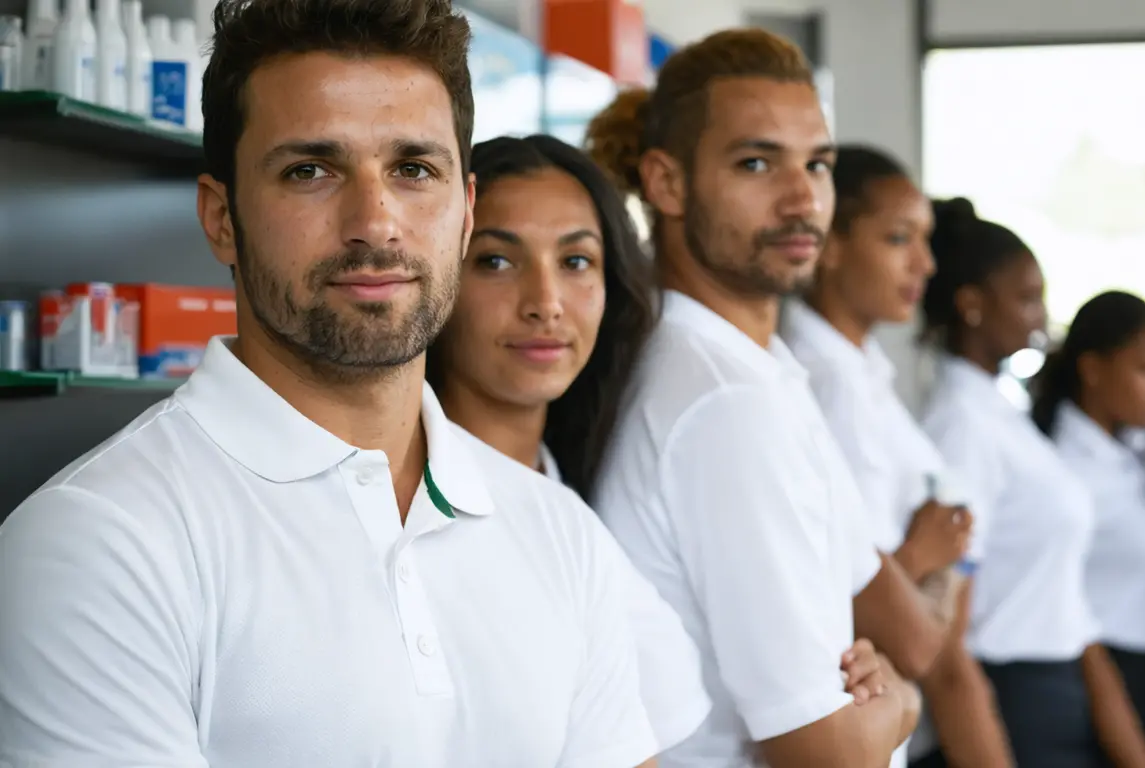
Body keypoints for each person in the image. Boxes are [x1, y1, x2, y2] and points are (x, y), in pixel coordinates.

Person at [0, 2, 659, 766]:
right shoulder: (100, 542)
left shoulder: (559, 532)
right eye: (310, 170)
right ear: (221, 218)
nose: (375, 222)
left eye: (414, 169)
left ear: (466, 210)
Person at [584, 28, 927, 768]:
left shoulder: (753, 367)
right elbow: (825, 753)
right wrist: (902, 699)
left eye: (818, 164)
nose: (803, 197)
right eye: (756, 163)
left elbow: (898, 624)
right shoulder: (724, 401)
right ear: (667, 184)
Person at [427, 133, 714, 753]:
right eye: (496, 261)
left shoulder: (578, 489)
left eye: (576, 261)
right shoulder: (412, 511)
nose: (546, 304)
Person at [779, 145, 1013, 768]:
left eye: (926, 241)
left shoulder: (864, 373)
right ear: (830, 243)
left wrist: (928, 568)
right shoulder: (823, 386)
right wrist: (926, 559)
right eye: (897, 239)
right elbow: (870, 616)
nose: (924, 264)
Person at [919, 198, 1145, 768]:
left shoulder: (998, 413)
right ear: (971, 305)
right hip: (1009, 702)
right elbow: (946, 622)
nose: (1041, 314)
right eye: (1026, 297)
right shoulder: (962, 425)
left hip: (1053, 693)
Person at [1029, 290, 1145, 763]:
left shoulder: (1131, 450)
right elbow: (1071, 613)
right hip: (1106, 682)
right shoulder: (1066, 473)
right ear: (1093, 369)